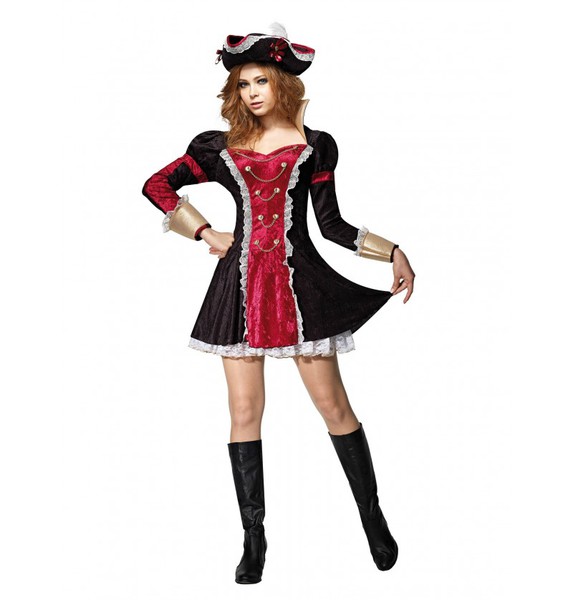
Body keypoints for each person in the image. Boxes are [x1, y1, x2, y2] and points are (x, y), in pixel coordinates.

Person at [142, 24, 415, 585]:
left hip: (300, 290)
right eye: (242, 85)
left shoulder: (317, 145)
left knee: (334, 407)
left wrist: (392, 250)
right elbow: (157, 185)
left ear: (283, 83)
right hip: (238, 291)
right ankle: (253, 538)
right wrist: (205, 232)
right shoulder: (219, 148)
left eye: (261, 82)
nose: (251, 94)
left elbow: (332, 225)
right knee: (244, 412)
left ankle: (373, 518)